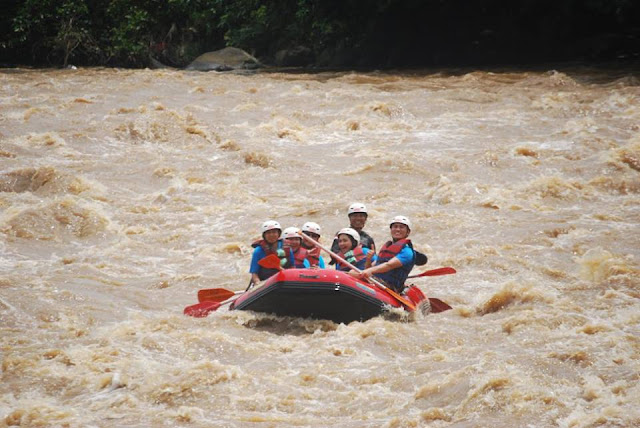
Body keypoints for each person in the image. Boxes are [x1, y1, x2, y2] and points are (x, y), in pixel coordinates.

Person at [358, 215, 416, 293]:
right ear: (391, 229)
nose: (397, 229)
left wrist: (370, 271)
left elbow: (389, 265)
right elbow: (368, 269)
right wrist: (368, 260)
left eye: (401, 227)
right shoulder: (388, 248)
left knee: (354, 274)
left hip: (390, 287)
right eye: (395, 227)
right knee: (353, 273)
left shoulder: (407, 252)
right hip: (377, 281)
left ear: (408, 232)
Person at [249, 220, 286, 285]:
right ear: (264, 235)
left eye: (274, 232)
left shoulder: (286, 247)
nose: (271, 235)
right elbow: (254, 274)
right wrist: (258, 283)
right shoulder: (258, 251)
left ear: (278, 234)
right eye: (268, 233)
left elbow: (292, 266)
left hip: (284, 279)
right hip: (265, 281)